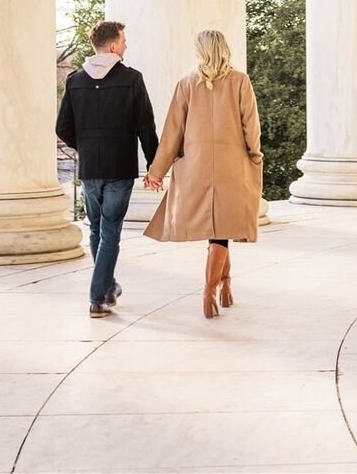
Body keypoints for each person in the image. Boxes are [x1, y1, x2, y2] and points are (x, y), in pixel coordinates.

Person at [142, 29, 263, 318]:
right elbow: (251, 126)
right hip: (232, 166)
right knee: (221, 230)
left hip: (196, 168)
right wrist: (255, 157)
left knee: (219, 231)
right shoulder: (240, 81)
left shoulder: (186, 84)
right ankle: (209, 293)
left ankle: (226, 285)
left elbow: (172, 132)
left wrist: (157, 170)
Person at [57, 19, 158, 319]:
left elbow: (63, 127)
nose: (126, 46)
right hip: (119, 167)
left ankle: (108, 285)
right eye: (124, 41)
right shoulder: (132, 79)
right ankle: (98, 297)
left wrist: (85, 146)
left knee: (98, 229)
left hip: (90, 168)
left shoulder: (75, 81)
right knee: (110, 230)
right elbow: (145, 127)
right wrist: (155, 163)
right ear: (113, 45)